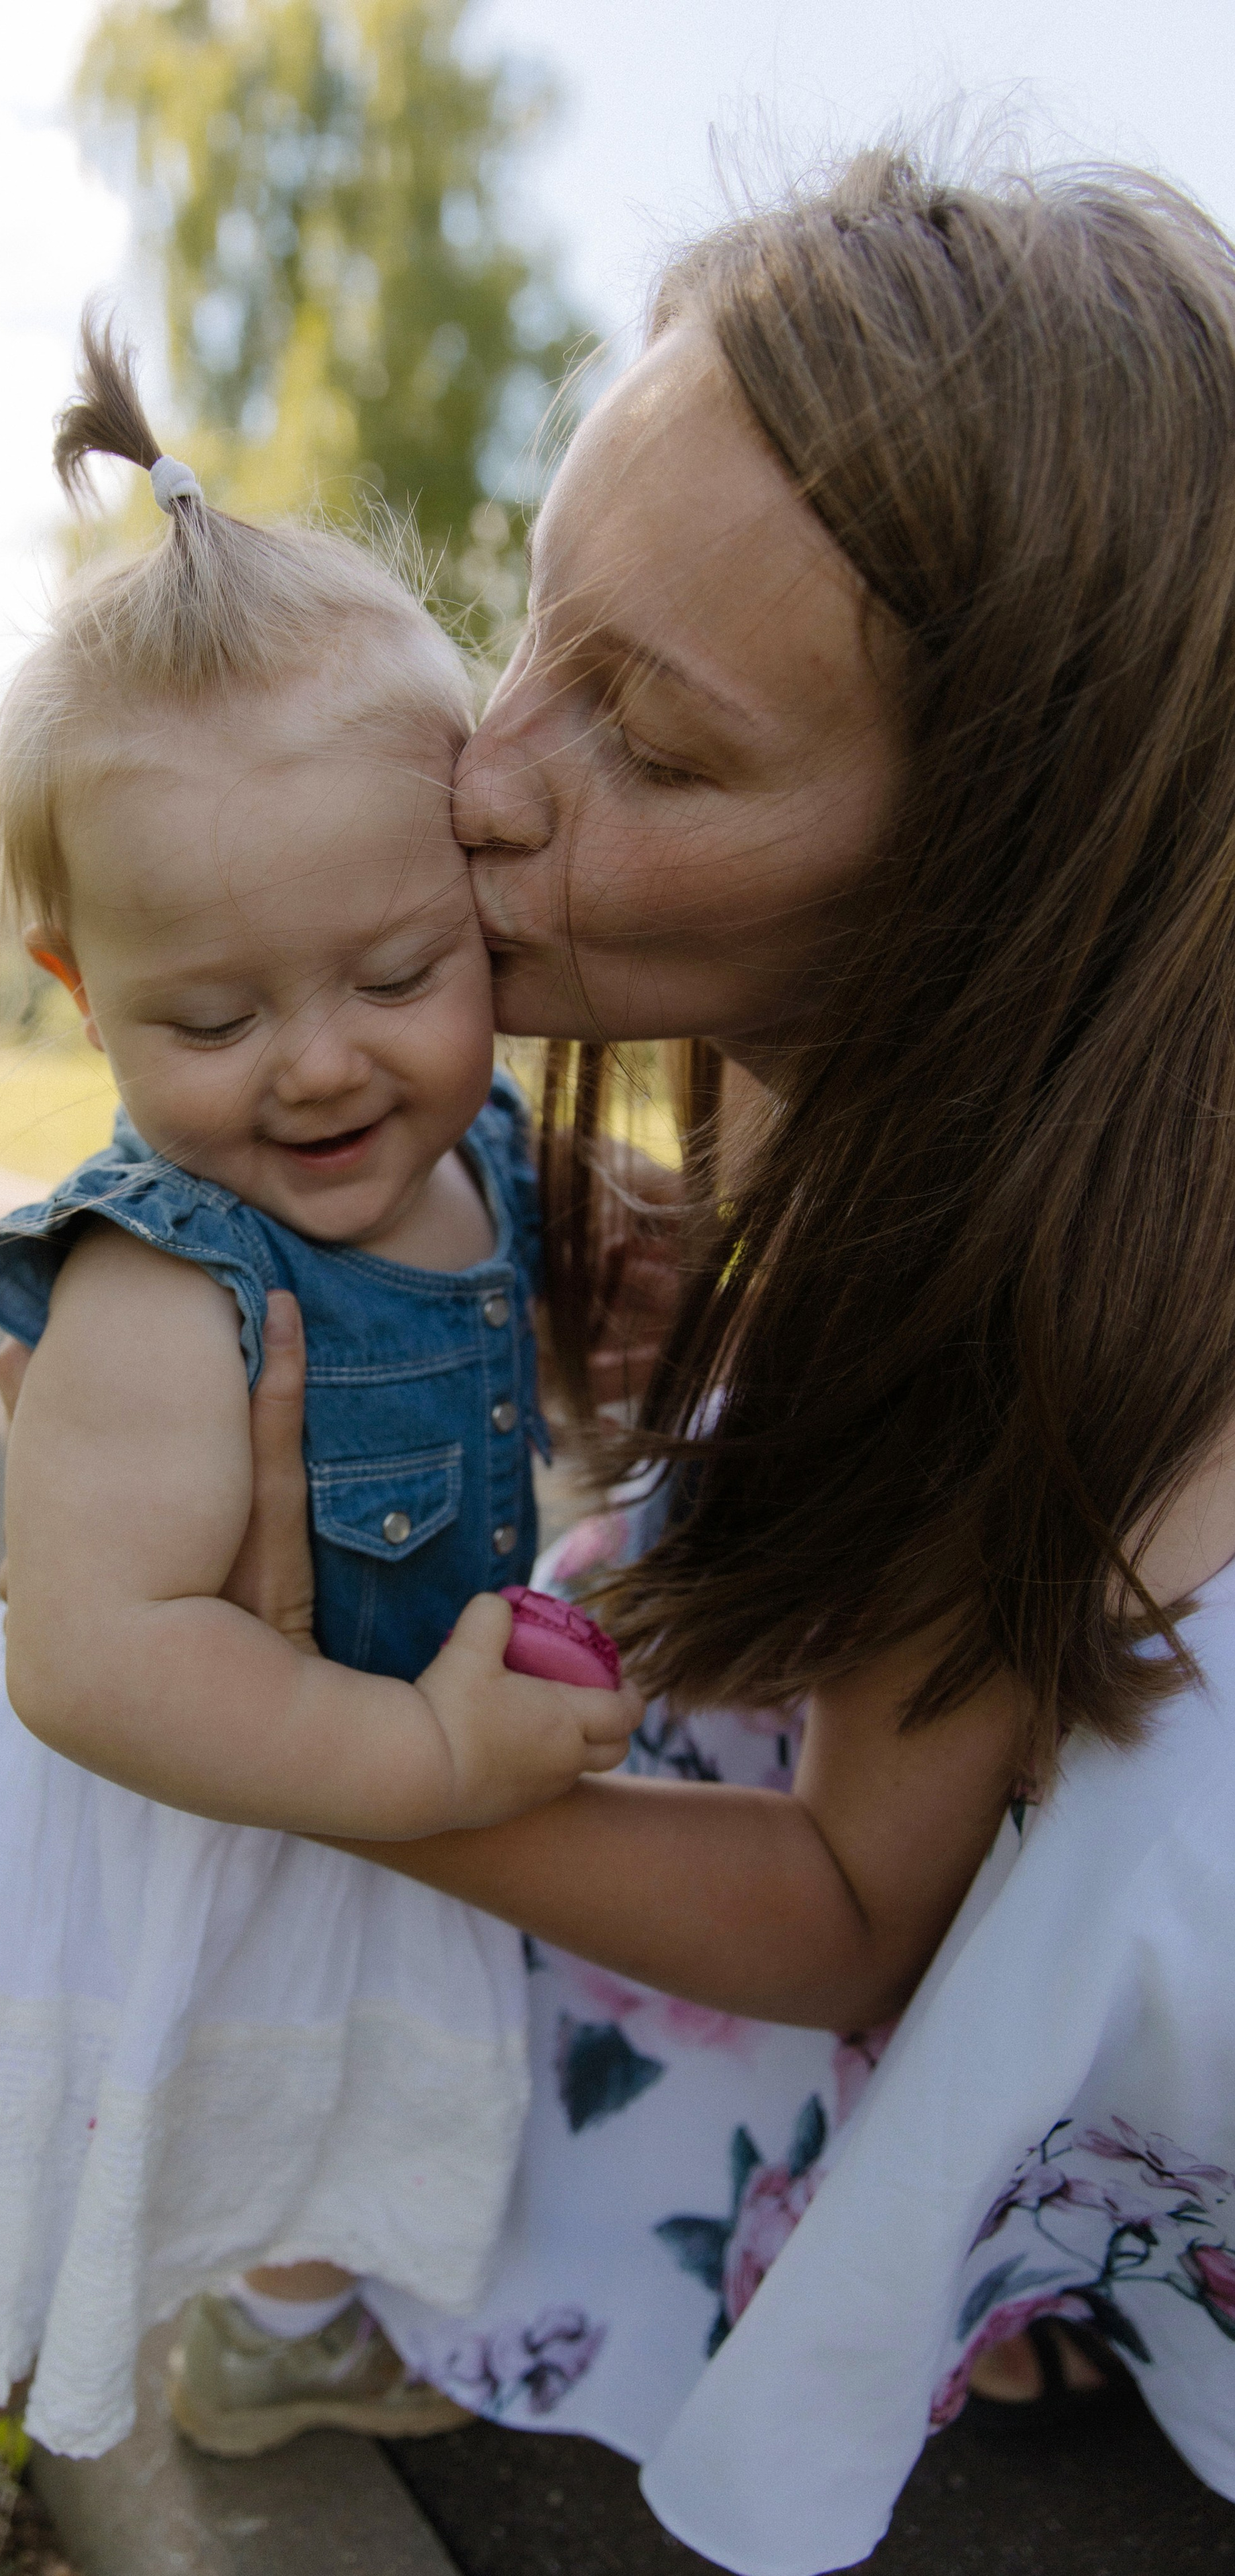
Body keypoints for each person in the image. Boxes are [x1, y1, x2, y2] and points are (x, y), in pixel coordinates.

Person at [90, 146, 1235, 2573]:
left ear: (1002, 873)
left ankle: (1003, 2216)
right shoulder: (849, 1077)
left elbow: (843, 1894)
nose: (481, 779)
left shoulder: (1043, 1281)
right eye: (531, 632)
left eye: (659, 746)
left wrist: (328, 1731)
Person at [0, 322, 636, 2576]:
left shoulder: (484, 1152)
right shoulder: (160, 1279)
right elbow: (98, 1663)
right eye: (210, 1020)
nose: (319, 1068)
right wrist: (412, 1768)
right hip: (143, 1819)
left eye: (396, 975)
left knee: (317, 2088)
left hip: (370, 1776)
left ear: (478, 916)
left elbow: (553, 1326)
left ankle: (285, 2333)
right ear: (76, 988)